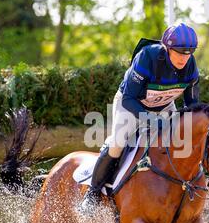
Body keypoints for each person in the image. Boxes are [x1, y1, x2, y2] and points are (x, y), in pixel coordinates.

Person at [82, 22, 200, 212]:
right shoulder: (147, 57)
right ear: (167, 48)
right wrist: (151, 120)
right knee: (118, 142)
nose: (184, 58)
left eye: (189, 53)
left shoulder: (191, 66)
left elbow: (192, 105)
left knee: (181, 142)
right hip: (131, 104)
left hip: (163, 105)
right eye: (179, 52)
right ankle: (93, 193)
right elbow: (129, 99)